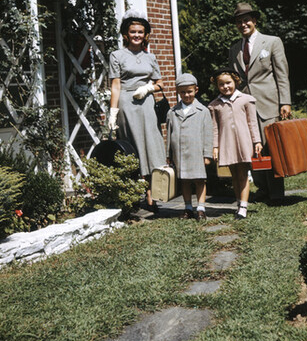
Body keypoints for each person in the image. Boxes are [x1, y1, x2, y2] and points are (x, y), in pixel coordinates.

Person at [228, 2, 291, 202]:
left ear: (254, 20)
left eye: (246, 20)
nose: (243, 24)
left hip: (269, 103)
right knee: (252, 148)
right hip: (245, 106)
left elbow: (282, 75)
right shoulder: (234, 49)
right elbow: (234, 80)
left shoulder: (272, 42)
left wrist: (285, 102)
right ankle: (262, 189)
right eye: (239, 22)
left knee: (271, 148)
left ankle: (276, 193)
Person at [108, 11, 167, 213]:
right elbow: (115, 86)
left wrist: (149, 88)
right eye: (132, 31)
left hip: (146, 102)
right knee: (131, 147)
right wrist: (113, 112)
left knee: (150, 145)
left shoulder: (150, 57)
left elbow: (160, 83)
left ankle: (152, 197)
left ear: (145, 34)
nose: (136, 35)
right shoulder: (117, 55)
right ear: (126, 34)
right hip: (127, 102)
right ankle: (133, 196)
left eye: (140, 32)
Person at [208, 67, 263, 220]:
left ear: (236, 81)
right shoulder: (215, 105)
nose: (225, 87)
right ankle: (239, 202)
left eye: (228, 83)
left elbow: (252, 123)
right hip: (226, 143)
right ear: (217, 86)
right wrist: (215, 146)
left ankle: (244, 206)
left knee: (243, 174)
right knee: (234, 175)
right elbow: (214, 128)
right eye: (221, 84)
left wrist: (256, 141)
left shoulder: (246, 99)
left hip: (244, 142)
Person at [166, 73, 214, 221]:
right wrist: (168, 154)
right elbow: (169, 134)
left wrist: (207, 154)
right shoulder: (172, 112)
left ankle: (201, 209)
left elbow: (208, 134)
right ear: (178, 92)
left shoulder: (203, 111)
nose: (186, 95)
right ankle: (188, 208)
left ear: (196, 90)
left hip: (196, 152)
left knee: (200, 180)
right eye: (183, 92)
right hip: (180, 153)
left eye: (190, 91)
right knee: (184, 180)